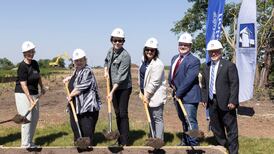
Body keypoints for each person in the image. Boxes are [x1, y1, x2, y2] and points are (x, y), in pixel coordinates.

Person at [201, 40, 239, 154]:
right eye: (211, 51)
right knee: (216, 127)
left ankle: (233, 151)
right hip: (212, 101)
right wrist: (204, 99)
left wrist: (233, 101)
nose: (213, 53)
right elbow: (203, 85)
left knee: (231, 129)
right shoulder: (206, 67)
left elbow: (234, 84)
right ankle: (223, 147)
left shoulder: (229, 65)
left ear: (220, 51)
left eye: (216, 51)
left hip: (227, 102)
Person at [168, 33, 201, 146]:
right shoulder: (174, 58)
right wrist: (170, 83)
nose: (183, 47)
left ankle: (194, 144)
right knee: (183, 120)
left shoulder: (194, 61)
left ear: (190, 46)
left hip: (189, 96)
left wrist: (179, 93)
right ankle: (185, 141)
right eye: (181, 44)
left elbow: (189, 80)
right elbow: (172, 75)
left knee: (190, 120)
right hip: (177, 95)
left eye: (186, 45)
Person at [63, 49, 101, 146]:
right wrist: (69, 78)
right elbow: (76, 78)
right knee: (75, 127)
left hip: (87, 107)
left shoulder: (87, 71)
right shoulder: (76, 70)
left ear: (85, 60)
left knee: (86, 130)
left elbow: (81, 87)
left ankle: (88, 147)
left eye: (81, 60)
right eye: (76, 61)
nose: (78, 62)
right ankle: (80, 145)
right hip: (75, 105)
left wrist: (70, 95)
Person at [15, 41, 46, 148]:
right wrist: (30, 99)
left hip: (35, 93)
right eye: (28, 52)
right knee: (26, 118)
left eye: (32, 51)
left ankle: (30, 141)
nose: (31, 54)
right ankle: (25, 144)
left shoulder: (35, 63)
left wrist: (42, 87)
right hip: (23, 94)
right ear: (24, 53)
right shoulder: (22, 66)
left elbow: (39, 76)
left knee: (35, 117)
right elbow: (23, 85)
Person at [104, 27, 132, 146]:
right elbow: (106, 61)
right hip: (112, 86)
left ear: (123, 41)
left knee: (122, 113)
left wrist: (111, 92)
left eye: (120, 40)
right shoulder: (110, 51)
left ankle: (124, 141)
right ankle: (119, 138)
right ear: (112, 40)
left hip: (124, 88)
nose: (117, 43)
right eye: (115, 40)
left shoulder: (125, 56)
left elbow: (120, 77)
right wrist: (105, 70)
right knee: (116, 112)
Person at [138, 37, 167, 140]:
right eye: (147, 49)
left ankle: (159, 140)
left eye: (152, 50)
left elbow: (154, 83)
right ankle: (152, 138)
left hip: (155, 95)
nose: (149, 51)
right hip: (146, 95)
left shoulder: (158, 64)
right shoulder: (144, 61)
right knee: (150, 118)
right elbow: (141, 77)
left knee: (157, 118)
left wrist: (147, 95)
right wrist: (141, 92)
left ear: (156, 51)